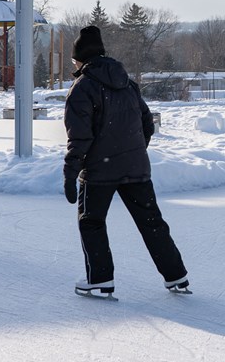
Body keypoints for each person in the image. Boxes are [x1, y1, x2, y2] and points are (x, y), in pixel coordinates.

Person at [64, 25, 189, 297]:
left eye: (74, 59)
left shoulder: (82, 87)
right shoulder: (128, 83)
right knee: (151, 222)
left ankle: (100, 278)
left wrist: (70, 172)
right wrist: (133, 150)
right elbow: (147, 123)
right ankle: (176, 275)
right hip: (136, 168)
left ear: (81, 58)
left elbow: (80, 138)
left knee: (92, 221)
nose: (73, 63)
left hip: (99, 171)